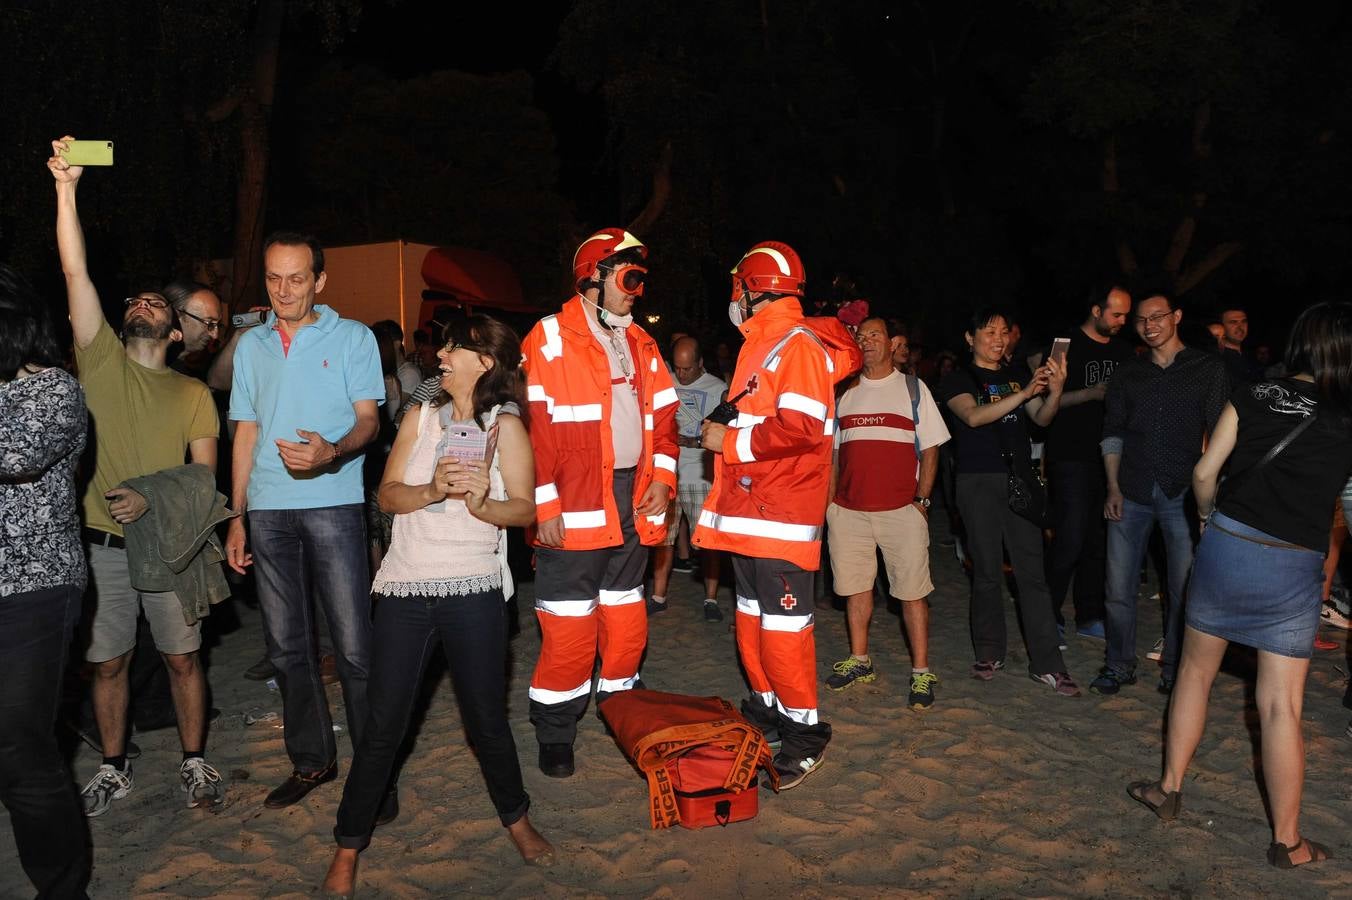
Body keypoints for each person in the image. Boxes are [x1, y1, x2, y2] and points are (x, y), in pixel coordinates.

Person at [321, 316, 553, 898]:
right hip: (406, 589)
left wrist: (482, 501)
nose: (441, 355)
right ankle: (349, 844)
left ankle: (517, 821)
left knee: (487, 722)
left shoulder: (506, 426)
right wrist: (433, 491)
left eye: (455, 347)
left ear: (485, 362)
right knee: (382, 725)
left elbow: (525, 511)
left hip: (475, 588)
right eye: (443, 346)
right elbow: (387, 494)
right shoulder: (420, 417)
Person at [1126, 301, 1352, 870]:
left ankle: (1169, 789)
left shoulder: (1250, 393)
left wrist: (1207, 519)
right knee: (1280, 707)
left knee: (1195, 675)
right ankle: (1288, 841)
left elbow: (1205, 473)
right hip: (1292, 568)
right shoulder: (1346, 421)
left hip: (1227, 549)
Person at [49, 138, 226, 817]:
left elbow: (207, 484)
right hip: (100, 548)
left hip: (171, 550)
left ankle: (193, 759)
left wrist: (149, 495)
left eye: (158, 303)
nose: (145, 304)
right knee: (109, 664)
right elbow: (74, 272)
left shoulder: (192, 397)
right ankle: (115, 766)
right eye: (140, 300)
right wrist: (67, 189)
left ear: (177, 333)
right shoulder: (99, 361)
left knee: (183, 661)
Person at [225, 231, 386, 810]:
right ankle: (312, 761)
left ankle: (372, 773)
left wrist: (333, 451)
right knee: (288, 647)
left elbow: (369, 421)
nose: (283, 290)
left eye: (296, 278)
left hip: (333, 503)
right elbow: (244, 430)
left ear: (319, 280)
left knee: (355, 648)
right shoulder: (252, 346)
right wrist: (236, 514)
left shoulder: (353, 338)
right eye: (273, 278)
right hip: (267, 510)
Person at [694, 241, 860, 789]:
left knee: (785, 631)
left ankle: (806, 731)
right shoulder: (762, 345)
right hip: (752, 512)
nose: (732, 298)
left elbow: (801, 428)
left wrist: (729, 441)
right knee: (751, 620)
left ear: (750, 288)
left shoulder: (796, 346)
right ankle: (766, 710)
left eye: (735, 288)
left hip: (781, 516)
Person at [521, 228, 678, 778]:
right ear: (594, 277)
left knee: (626, 610)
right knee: (568, 624)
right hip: (574, 500)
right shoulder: (548, 336)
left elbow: (664, 418)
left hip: (633, 495)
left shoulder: (640, 341)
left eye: (640, 279)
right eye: (629, 278)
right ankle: (557, 731)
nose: (638, 290)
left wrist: (664, 475)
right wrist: (544, 505)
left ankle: (621, 707)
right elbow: (532, 431)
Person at [0, 263, 93, 898]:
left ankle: (62, 888)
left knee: (18, 745)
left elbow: (12, 454)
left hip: (35, 590)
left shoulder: (54, 391)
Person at [1090, 289, 1229, 695]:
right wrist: (1112, 486)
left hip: (1182, 494)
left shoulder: (1208, 369)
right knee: (1117, 587)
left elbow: (1221, 435)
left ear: (1177, 317)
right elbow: (1112, 431)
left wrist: (1210, 498)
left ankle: (1175, 669)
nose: (1149, 326)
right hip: (1130, 488)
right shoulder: (1128, 373)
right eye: (1141, 320)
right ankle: (1118, 665)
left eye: (1157, 317)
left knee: (1183, 588)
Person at [938, 308, 1080, 696]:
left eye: (1004, 332)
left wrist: (1054, 391)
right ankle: (989, 652)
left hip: (1019, 481)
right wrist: (1024, 393)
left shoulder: (1017, 375)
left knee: (1032, 573)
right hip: (977, 481)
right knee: (985, 571)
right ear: (970, 338)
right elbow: (973, 417)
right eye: (989, 331)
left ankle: (1048, 664)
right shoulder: (957, 379)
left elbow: (1042, 419)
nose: (998, 339)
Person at [825, 317, 950, 709]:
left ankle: (920, 671)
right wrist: (829, 505)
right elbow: (832, 455)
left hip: (901, 510)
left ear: (894, 342)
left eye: (873, 335)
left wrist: (922, 500)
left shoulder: (912, 388)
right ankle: (860, 660)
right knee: (855, 588)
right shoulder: (843, 392)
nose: (865, 342)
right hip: (849, 512)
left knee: (912, 593)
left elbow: (931, 447)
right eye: (859, 337)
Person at [1042, 282, 1136, 641]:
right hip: (1070, 454)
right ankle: (1048, 613)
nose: (1122, 321)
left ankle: (1089, 613)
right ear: (1096, 311)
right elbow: (1045, 403)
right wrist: (1091, 394)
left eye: (1127, 315)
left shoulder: (1127, 351)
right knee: (1070, 535)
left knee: (1100, 539)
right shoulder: (1065, 345)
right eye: (1116, 314)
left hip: (1111, 458)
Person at [649, 336, 726, 621]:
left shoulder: (718, 389)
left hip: (699, 476)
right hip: (666, 474)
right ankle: (658, 596)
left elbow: (723, 434)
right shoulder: (664, 380)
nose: (681, 375)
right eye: (677, 368)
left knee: (706, 543)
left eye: (687, 369)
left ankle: (710, 598)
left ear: (700, 363)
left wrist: (691, 441)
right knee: (662, 540)